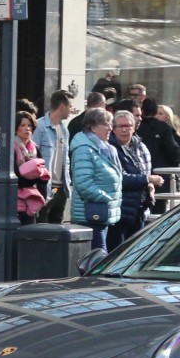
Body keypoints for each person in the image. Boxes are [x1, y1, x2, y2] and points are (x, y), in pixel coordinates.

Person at [108, 109, 163, 251]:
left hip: (140, 207)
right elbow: (120, 178)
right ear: (113, 129)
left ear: (134, 128)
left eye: (128, 126)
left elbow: (146, 171)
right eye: (120, 126)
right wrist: (147, 179)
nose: (124, 130)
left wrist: (150, 185)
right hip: (120, 208)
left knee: (134, 251)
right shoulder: (110, 148)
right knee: (116, 251)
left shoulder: (141, 147)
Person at [70, 107, 122, 251]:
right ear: (92, 127)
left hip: (103, 214)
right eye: (105, 124)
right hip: (91, 215)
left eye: (110, 124)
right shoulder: (84, 149)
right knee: (98, 259)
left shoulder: (107, 149)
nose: (110, 128)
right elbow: (84, 184)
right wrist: (106, 199)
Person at [0, 111, 47, 225]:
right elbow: (13, 175)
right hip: (13, 202)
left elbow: (43, 176)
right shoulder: (9, 147)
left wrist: (42, 198)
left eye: (29, 125)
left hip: (31, 201)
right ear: (16, 128)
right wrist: (32, 178)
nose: (27, 128)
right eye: (22, 125)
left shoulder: (35, 149)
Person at [34, 90, 74, 225]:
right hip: (46, 187)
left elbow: (65, 160)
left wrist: (67, 183)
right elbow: (33, 158)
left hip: (60, 188)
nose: (71, 110)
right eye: (70, 106)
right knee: (41, 225)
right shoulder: (39, 127)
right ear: (62, 106)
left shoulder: (64, 130)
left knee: (57, 227)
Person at [136, 96, 180, 173]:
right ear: (155, 111)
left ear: (142, 111)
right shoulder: (164, 127)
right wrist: (174, 163)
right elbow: (173, 149)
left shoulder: (137, 128)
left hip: (142, 172)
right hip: (162, 171)